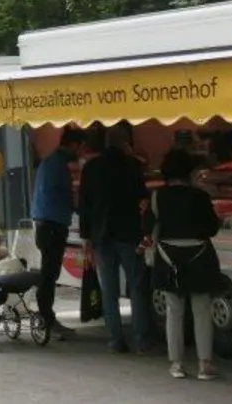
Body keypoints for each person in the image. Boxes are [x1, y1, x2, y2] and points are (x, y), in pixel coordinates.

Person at [144, 148, 223, 380]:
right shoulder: (200, 196)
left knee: (174, 311)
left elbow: (147, 226)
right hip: (198, 256)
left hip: (168, 258)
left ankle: (177, 364)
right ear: (189, 172)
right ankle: (204, 364)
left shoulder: (157, 197)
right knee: (202, 310)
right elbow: (212, 228)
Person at [79, 123, 152, 353]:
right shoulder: (133, 166)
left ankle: (115, 339)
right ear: (124, 143)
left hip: (101, 235)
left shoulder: (91, 168)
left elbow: (84, 205)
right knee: (137, 287)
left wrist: (86, 238)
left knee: (108, 290)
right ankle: (142, 340)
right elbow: (143, 198)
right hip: (129, 233)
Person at [31, 127, 85, 339]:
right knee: (49, 274)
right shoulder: (56, 164)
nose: (81, 152)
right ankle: (46, 319)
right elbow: (59, 194)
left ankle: (46, 317)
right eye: (81, 147)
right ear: (73, 145)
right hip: (51, 225)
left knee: (49, 273)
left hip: (48, 223)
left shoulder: (53, 162)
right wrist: (77, 205)